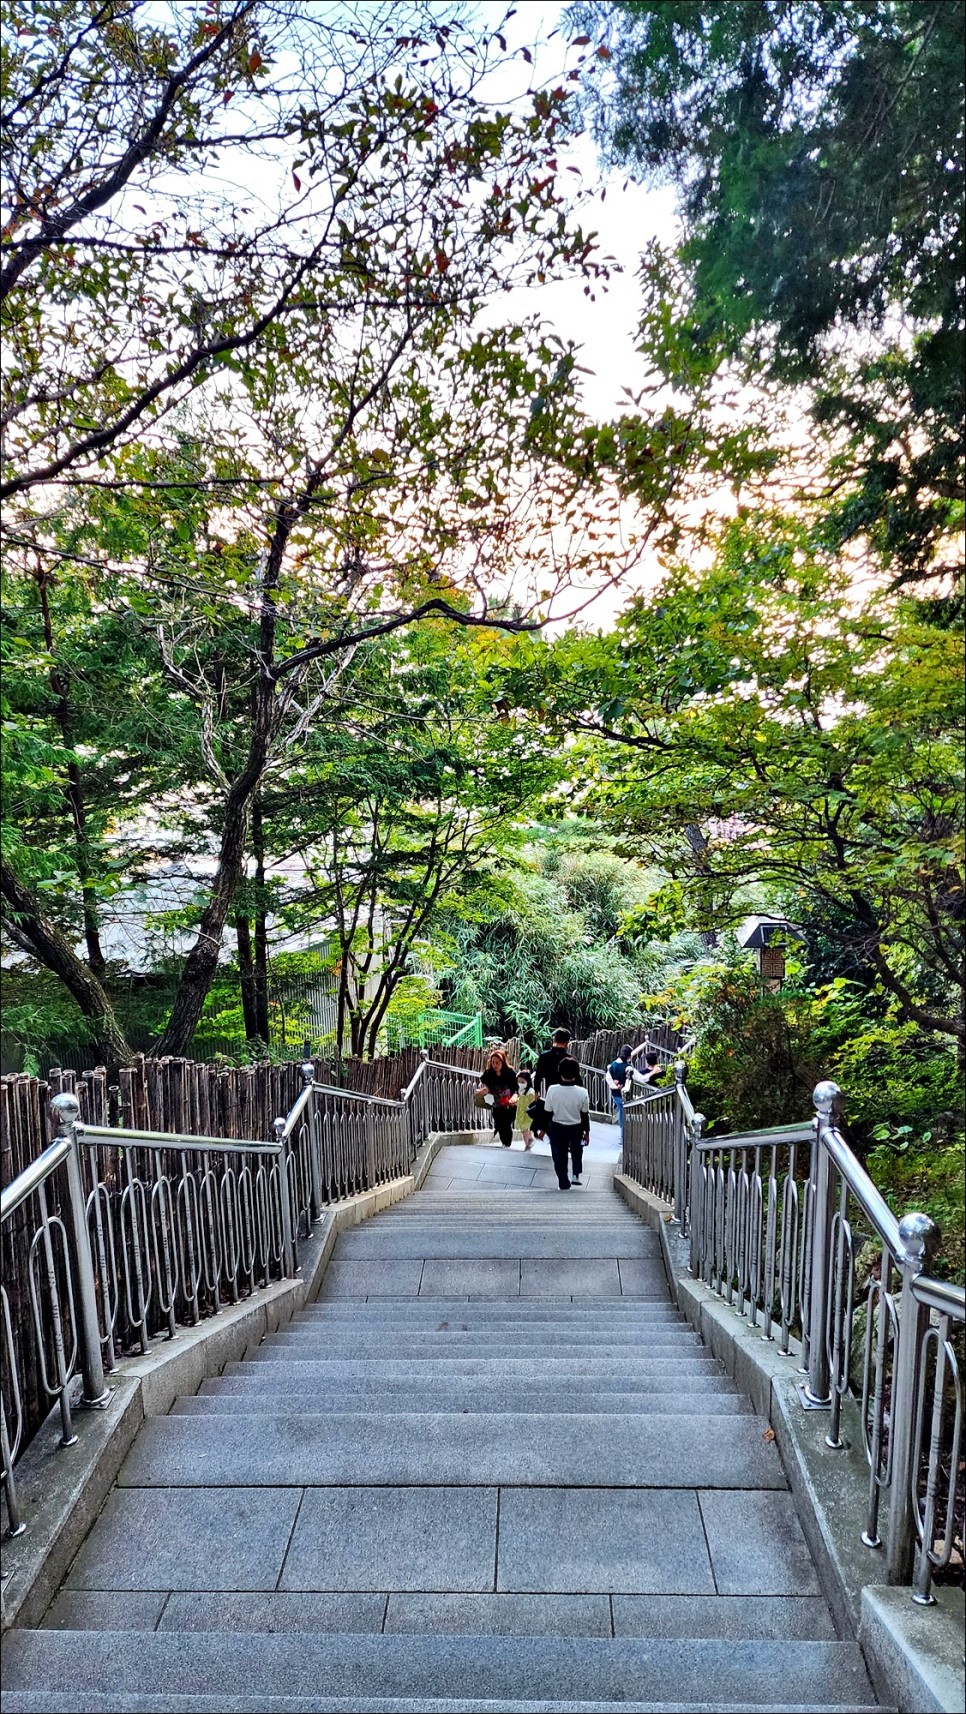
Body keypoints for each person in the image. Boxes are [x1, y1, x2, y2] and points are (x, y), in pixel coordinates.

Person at [543, 1055, 590, 1190]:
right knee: (577, 1150)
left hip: (557, 1127)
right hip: (576, 1127)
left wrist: (544, 1129)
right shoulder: (582, 1092)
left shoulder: (552, 1090)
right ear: (576, 1073)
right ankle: (576, 1174)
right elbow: (585, 1114)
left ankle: (563, 1181)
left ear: (559, 1071)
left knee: (558, 1155)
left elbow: (548, 1111)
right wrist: (587, 1132)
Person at [477, 1048, 518, 1147]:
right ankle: (504, 1141)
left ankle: (507, 1143)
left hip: (509, 1104)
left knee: (507, 1123)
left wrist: (515, 1097)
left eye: (497, 1063)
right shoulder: (488, 1073)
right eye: (493, 1062)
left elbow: (516, 1088)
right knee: (499, 1121)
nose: (495, 1065)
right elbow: (485, 1082)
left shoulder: (510, 1073)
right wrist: (485, 1090)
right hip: (496, 1103)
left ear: (503, 1062)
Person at [605, 1044, 634, 1138]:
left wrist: (614, 1086)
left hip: (615, 1094)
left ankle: (622, 1133)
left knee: (622, 1110)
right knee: (623, 1111)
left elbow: (608, 1078)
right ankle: (623, 1134)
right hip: (623, 1094)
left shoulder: (613, 1065)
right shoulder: (627, 1067)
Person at [515, 1066, 537, 1150]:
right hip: (521, 1113)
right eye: (519, 1081)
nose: (520, 1083)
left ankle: (527, 1144)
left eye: (522, 1082)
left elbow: (532, 1101)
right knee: (524, 1129)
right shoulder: (521, 1090)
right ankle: (530, 1140)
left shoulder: (530, 1091)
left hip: (527, 1113)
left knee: (524, 1130)